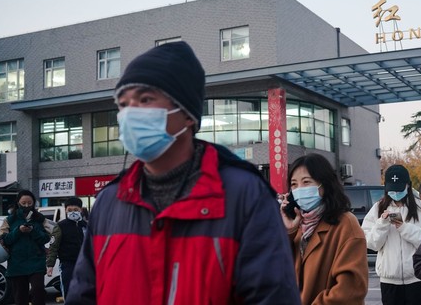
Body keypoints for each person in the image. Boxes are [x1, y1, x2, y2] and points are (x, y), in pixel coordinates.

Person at [67, 42, 299, 304]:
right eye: (123, 105)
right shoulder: (109, 201)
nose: (130, 114)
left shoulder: (245, 195)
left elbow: (272, 296)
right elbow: (83, 293)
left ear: (187, 114)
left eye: (145, 99)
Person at [279, 154, 368, 304]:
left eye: (306, 182)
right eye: (294, 184)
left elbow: (350, 290)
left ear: (324, 185)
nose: (299, 189)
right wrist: (288, 233)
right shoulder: (298, 225)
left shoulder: (346, 224)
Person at [362, 164, 421, 305]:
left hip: (417, 279)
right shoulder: (377, 208)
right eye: (392, 190)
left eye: (399, 189)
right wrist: (382, 224)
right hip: (389, 281)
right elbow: (371, 243)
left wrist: (404, 228)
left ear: (408, 186)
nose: (395, 193)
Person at [0, 190, 50, 305]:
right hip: (16, 263)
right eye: (23, 203)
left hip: (37, 262)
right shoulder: (9, 220)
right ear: (18, 203)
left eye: (29, 203)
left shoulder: (40, 219)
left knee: (38, 290)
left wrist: (33, 231)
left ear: (34, 203)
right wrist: (18, 231)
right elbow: (3, 240)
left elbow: (46, 238)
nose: (26, 206)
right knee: (20, 297)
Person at [46, 197, 88, 299]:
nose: (72, 212)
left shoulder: (86, 226)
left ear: (81, 210)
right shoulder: (60, 226)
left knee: (85, 290)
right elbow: (53, 245)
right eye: (69, 210)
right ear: (65, 210)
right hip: (67, 263)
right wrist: (50, 265)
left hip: (85, 263)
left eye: (75, 210)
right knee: (68, 289)